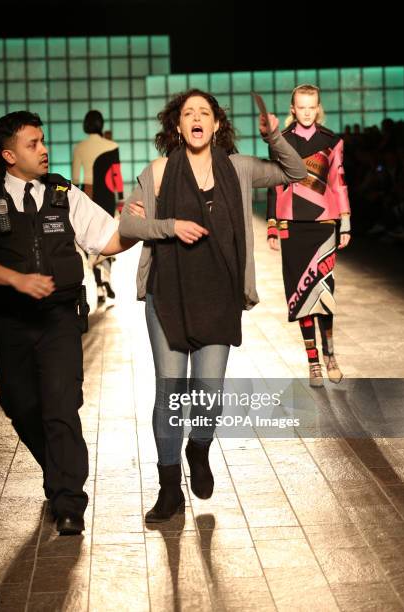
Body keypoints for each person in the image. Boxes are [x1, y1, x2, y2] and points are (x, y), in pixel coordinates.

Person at [118, 89, 307, 522]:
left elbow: (294, 173)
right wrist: (168, 226)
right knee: (169, 395)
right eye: (188, 113)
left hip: (219, 297)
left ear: (217, 124)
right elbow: (128, 222)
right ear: (178, 126)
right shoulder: (160, 171)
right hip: (168, 296)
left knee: (208, 396)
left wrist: (275, 136)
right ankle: (169, 490)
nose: (197, 118)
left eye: (205, 113)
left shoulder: (237, 168)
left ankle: (198, 448)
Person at [0, 111, 134, 535]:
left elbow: (108, 238)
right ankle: (59, 468)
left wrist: (146, 226)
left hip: (59, 317)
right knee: (20, 404)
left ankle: (69, 501)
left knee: (60, 405)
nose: (45, 149)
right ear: (9, 154)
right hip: (11, 321)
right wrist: (17, 279)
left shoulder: (63, 194)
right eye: (34, 143)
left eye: (43, 140)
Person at [266, 84, 351, 387]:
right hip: (293, 225)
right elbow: (275, 184)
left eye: (311, 107)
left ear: (318, 108)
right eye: (301, 107)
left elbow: (338, 182)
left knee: (324, 295)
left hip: (324, 223)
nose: (306, 112)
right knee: (301, 296)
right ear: (293, 109)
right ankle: (313, 362)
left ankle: (330, 356)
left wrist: (345, 220)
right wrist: (273, 225)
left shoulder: (331, 141)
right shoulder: (281, 142)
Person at [72, 110, 124, 303]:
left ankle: (99, 285)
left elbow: (76, 178)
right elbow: (116, 175)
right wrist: (121, 200)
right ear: (101, 124)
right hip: (107, 195)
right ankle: (107, 279)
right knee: (108, 236)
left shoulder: (79, 148)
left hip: (87, 194)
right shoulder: (112, 145)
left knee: (89, 240)